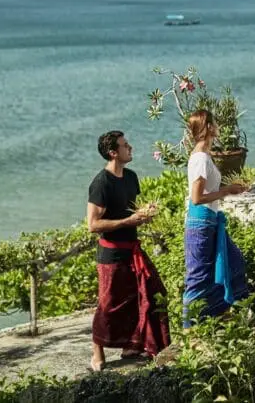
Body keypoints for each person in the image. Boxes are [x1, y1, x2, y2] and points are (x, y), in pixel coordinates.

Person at [87, 130, 170, 372]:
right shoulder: (101, 183)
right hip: (111, 254)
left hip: (133, 248)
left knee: (152, 294)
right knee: (108, 305)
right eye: (125, 145)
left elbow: (130, 211)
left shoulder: (131, 177)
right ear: (113, 153)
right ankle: (97, 351)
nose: (130, 147)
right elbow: (93, 225)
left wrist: (144, 213)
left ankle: (133, 345)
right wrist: (127, 222)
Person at [182, 109, 250, 327]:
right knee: (198, 276)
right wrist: (226, 191)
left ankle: (218, 315)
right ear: (209, 127)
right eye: (215, 123)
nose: (218, 126)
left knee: (233, 262)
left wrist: (229, 189)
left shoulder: (204, 155)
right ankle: (189, 329)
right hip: (201, 222)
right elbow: (197, 198)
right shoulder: (200, 158)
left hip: (209, 220)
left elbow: (208, 190)